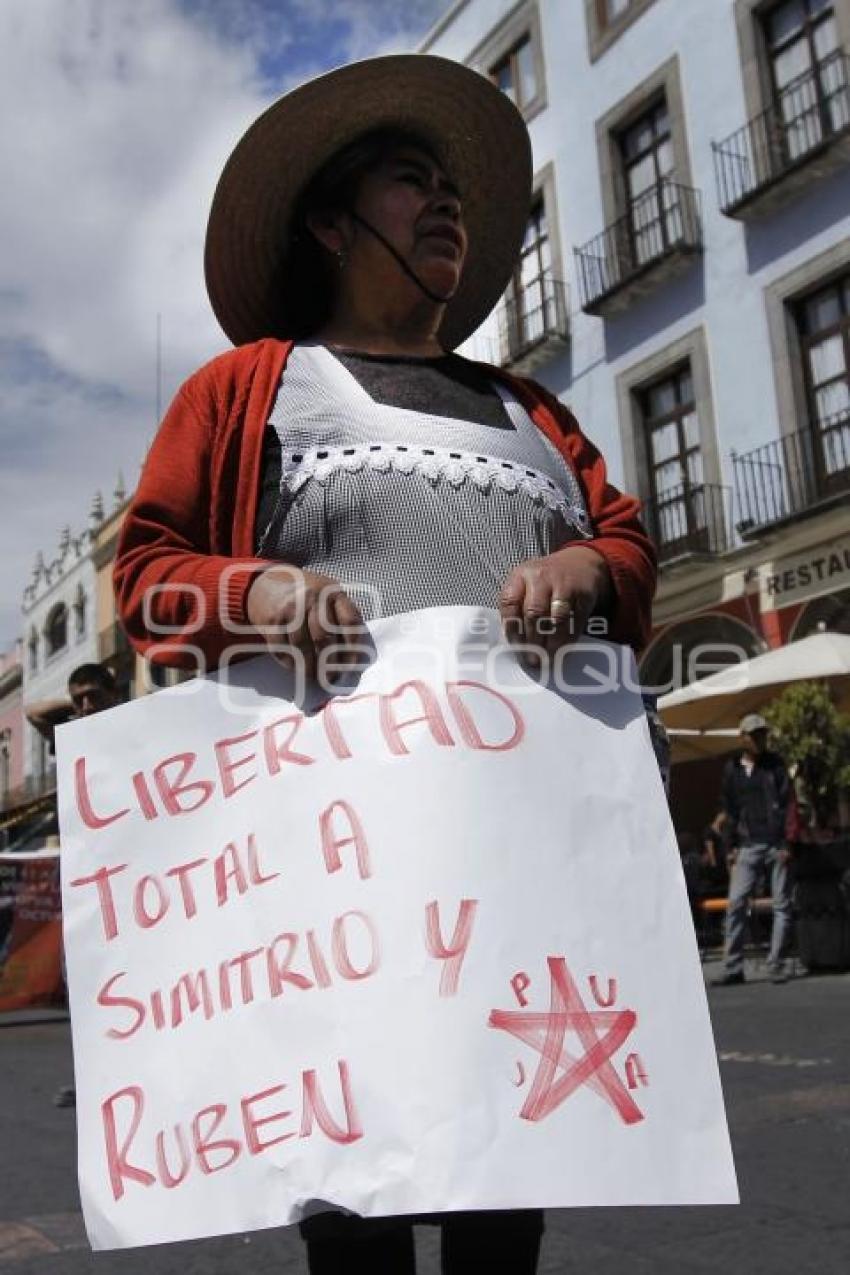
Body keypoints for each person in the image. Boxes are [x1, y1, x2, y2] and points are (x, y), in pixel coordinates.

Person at [114, 54, 657, 1275]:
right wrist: (250, 589)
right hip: (336, 881)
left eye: (452, 188)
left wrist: (590, 573)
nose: (448, 203)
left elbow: (622, 537)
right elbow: (146, 573)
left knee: (505, 1185)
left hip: (517, 867)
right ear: (329, 222)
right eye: (413, 183)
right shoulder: (247, 391)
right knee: (356, 1197)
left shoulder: (533, 411)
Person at [51, 663, 120, 1108]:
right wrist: (76, 711)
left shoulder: (135, 729)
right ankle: (95, 1084)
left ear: (115, 692)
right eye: (78, 698)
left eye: (94, 694)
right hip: (87, 897)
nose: (85, 705)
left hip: (134, 891)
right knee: (88, 994)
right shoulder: (72, 745)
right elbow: (39, 713)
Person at [715, 713, 792, 986]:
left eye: (763, 734)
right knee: (736, 904)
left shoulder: (775, 765)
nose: (760, 739)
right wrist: (730, 847)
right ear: (743, 737)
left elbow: (787, 804)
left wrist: (785, 842)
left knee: (782, 905)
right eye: (755, 734)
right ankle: (733, 968)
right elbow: (730, 809)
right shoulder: (732, 769)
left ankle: (776, 964)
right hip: (747, 845)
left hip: (775, 843)